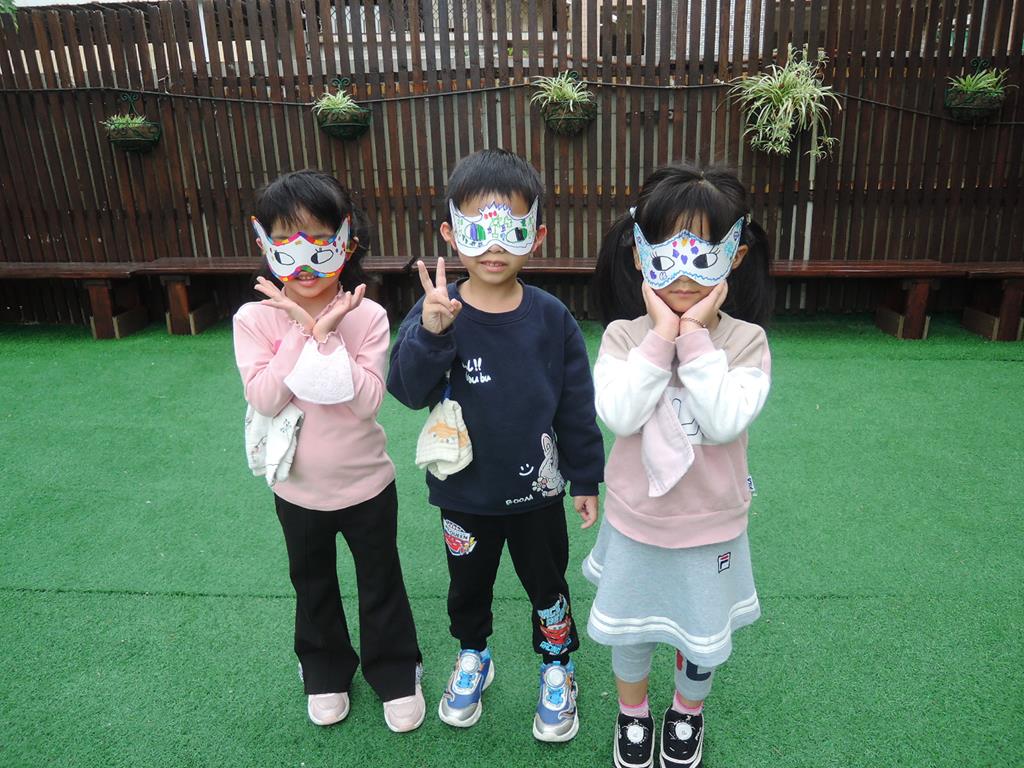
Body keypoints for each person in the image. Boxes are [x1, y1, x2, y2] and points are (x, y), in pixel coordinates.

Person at [386, 149, 605, 742]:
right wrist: (432, 333)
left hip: (539, 494)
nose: (494, 246)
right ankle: (473, 655)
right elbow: (405, 389)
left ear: (537, 236)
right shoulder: (437, 310)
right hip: (464, 493)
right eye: (477, 230)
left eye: (510, 229)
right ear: (450, 233)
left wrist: (586, 477)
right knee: (468, 587)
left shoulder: (552, 317)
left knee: (548, 586)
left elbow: (576, 405)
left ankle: (557, 666)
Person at [586, 163, 774, 768]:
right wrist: (660, 336)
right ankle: (633, 713)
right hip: (637, 521)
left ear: (734, 257)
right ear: (641, 255)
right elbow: (620, 414)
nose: (685, 272)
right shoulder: (623, 338)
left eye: (704, 253)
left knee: (701, 634)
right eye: (668, 252)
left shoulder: (745, 343)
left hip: (710, 527)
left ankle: (688, 712)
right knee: (632, 627)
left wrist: (692, 337)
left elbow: (721, 421)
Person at [232, 170, 424, 733]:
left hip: (367, 484)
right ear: (265, 243)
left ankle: (395, 670)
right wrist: (299, 329)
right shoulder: (254, 318)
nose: (304, 260)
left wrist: (328, 334)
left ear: (347, 241)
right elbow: (265, 397)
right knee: (311, 582)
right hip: (297, 487)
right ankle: (323, 668)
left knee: (380, 580)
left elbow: (365, 402)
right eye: (286, 243)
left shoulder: (368, 315)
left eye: (319, 241)